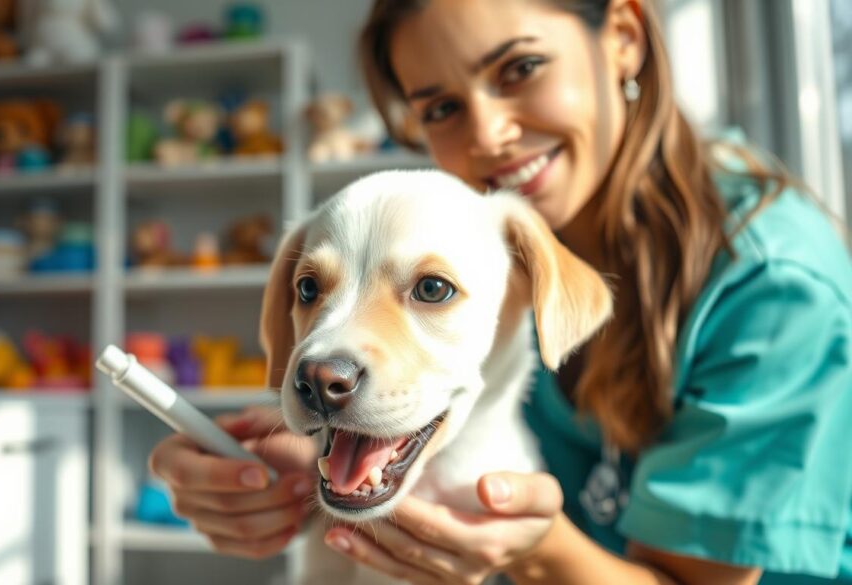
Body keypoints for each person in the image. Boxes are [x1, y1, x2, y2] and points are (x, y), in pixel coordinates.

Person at [149, 0, 852, 582]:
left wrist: (533, 547)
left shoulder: (773, 281)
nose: (490, 134)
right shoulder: (500, 232)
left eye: (521, 68)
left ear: (625, 38)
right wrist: (290, 480)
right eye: (442, 107)